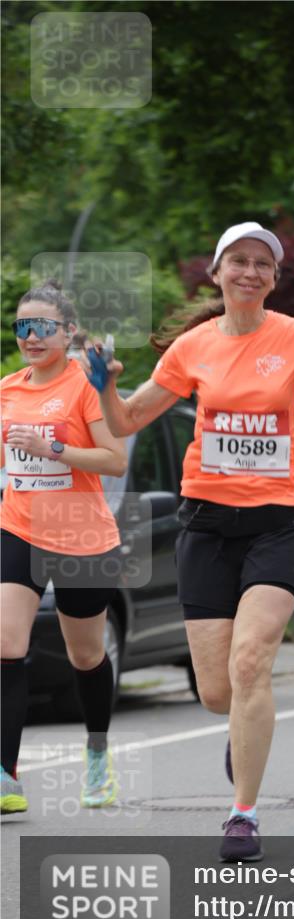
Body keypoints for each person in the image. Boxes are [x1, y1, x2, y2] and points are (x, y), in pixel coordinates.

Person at [81, 221, 294, 861]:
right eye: (239, 262)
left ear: (274, 279)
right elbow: (127, 421)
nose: (250, 272)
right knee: (218, 693)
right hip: (204, 525)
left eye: (262, 264)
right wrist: (105, 386)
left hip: (278, 522)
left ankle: (243, 814)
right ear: (218, 274)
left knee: (251, 662)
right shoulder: (192, 347)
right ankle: (242, 724)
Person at [1, 280, 127, 814]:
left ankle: (97, 751)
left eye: (43, 326)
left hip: (80, 533)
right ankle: (6, 777)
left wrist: (53, 447)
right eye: (22, 326)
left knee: (86, 654)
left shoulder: (85, 387)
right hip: (20, 527)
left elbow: (115, 459)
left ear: (67, 331)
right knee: (6, 646)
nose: (31, 336)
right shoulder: (7, 387)